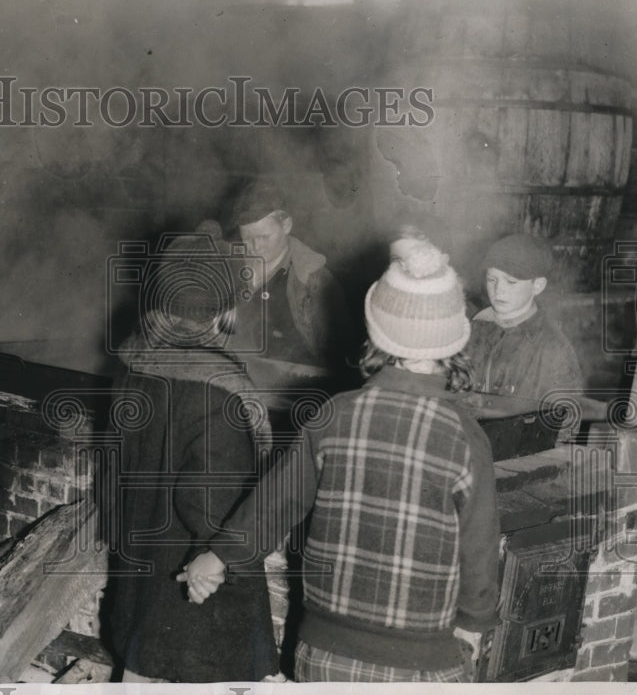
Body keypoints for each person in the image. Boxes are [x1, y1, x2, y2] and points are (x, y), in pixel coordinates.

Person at [179, 239, 501, 683]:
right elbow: (479, 548)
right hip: (421, 665)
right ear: (455, 340)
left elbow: (273, 506)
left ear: (375, 332)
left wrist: (215, 558)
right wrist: (474, 625)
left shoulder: (331, 415)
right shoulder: (466, 437)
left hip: (325, 654)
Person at [101, 231, 279, 683]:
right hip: (199, 625)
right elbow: (214, 512)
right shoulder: (218, 393)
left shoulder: (131, 372)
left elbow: (113, 491)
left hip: (140, 603)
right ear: (221, 309)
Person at [227, 179, 354, 373]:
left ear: (286, 226)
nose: (255, 247)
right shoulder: (231, 271)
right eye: (247, 239)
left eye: (263, 237)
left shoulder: (315, 281)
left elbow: (340, 357)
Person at [466, 233, 582, 402]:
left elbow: (566, 420)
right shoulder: (472, 329)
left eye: (511, 281)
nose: (498, 290)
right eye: (492, 279)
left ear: (538, 285)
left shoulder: (555, 350)